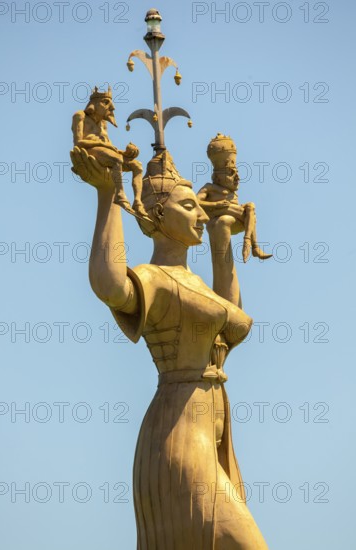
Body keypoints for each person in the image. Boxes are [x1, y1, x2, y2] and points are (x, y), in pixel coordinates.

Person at [70, 145, 269, 550]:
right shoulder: (155, 278)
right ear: (158, 214)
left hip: (212, 432)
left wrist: (220, 236)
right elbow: (110, 287)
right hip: (178, 433)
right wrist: (108, 195)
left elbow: (234, 323)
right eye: (190, 206)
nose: (199, 214)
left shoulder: (194, 283)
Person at [72, 86, 147, 216]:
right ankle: (120, 194)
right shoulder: (80, 116)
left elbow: (109, 146)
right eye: (105, 102)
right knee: (116, 159)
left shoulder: (103, 123)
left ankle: (138, 202)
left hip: (105, 153)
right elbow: (78, 142)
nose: (112, 107)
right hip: (90, 150)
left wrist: (125, 153)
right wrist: (102, 145)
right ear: (94, 103)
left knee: (137, 166)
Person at [197, 133, 272, 263]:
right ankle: (253, 246)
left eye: (237, 173)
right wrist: (216, 205)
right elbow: (195, 201)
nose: (237, 178)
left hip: (237, 219)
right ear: (218, 177)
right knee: (249, 213)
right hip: (216, 215)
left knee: (251, 206)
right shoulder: (210, 188)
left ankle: (250, 243)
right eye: (231, 173)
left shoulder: (232, 192)